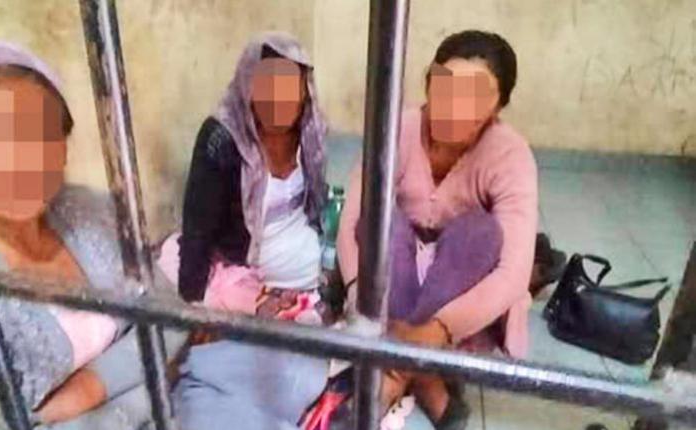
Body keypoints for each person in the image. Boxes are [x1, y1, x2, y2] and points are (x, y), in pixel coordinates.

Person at [0, 43, 185, 430]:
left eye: (40, 133)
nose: (20, 160)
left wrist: (89, 389)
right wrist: (148, 381)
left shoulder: (86, 208)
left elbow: (172, 318)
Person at [336, 30, 538, 428]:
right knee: (380, 220)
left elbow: (514, 273)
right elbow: (351, 224)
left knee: (481, 233)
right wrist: (361, 296)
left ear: (498, 105)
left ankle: (391, 380)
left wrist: (440, 328)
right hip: (394, 279)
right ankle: (429, 383)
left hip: (459, 285)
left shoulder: (510, 154)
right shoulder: (397, 127)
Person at [167, 31, 330, 429]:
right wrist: (193, 310)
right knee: (276, 374)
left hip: (304, 293)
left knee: (305, 374)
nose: (278, 99)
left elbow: (317, 207)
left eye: (289, 86)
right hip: (245, 285)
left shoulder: (311, 132)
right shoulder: (223, 138)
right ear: (248, 85)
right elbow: (197, 228)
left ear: (304, 91)